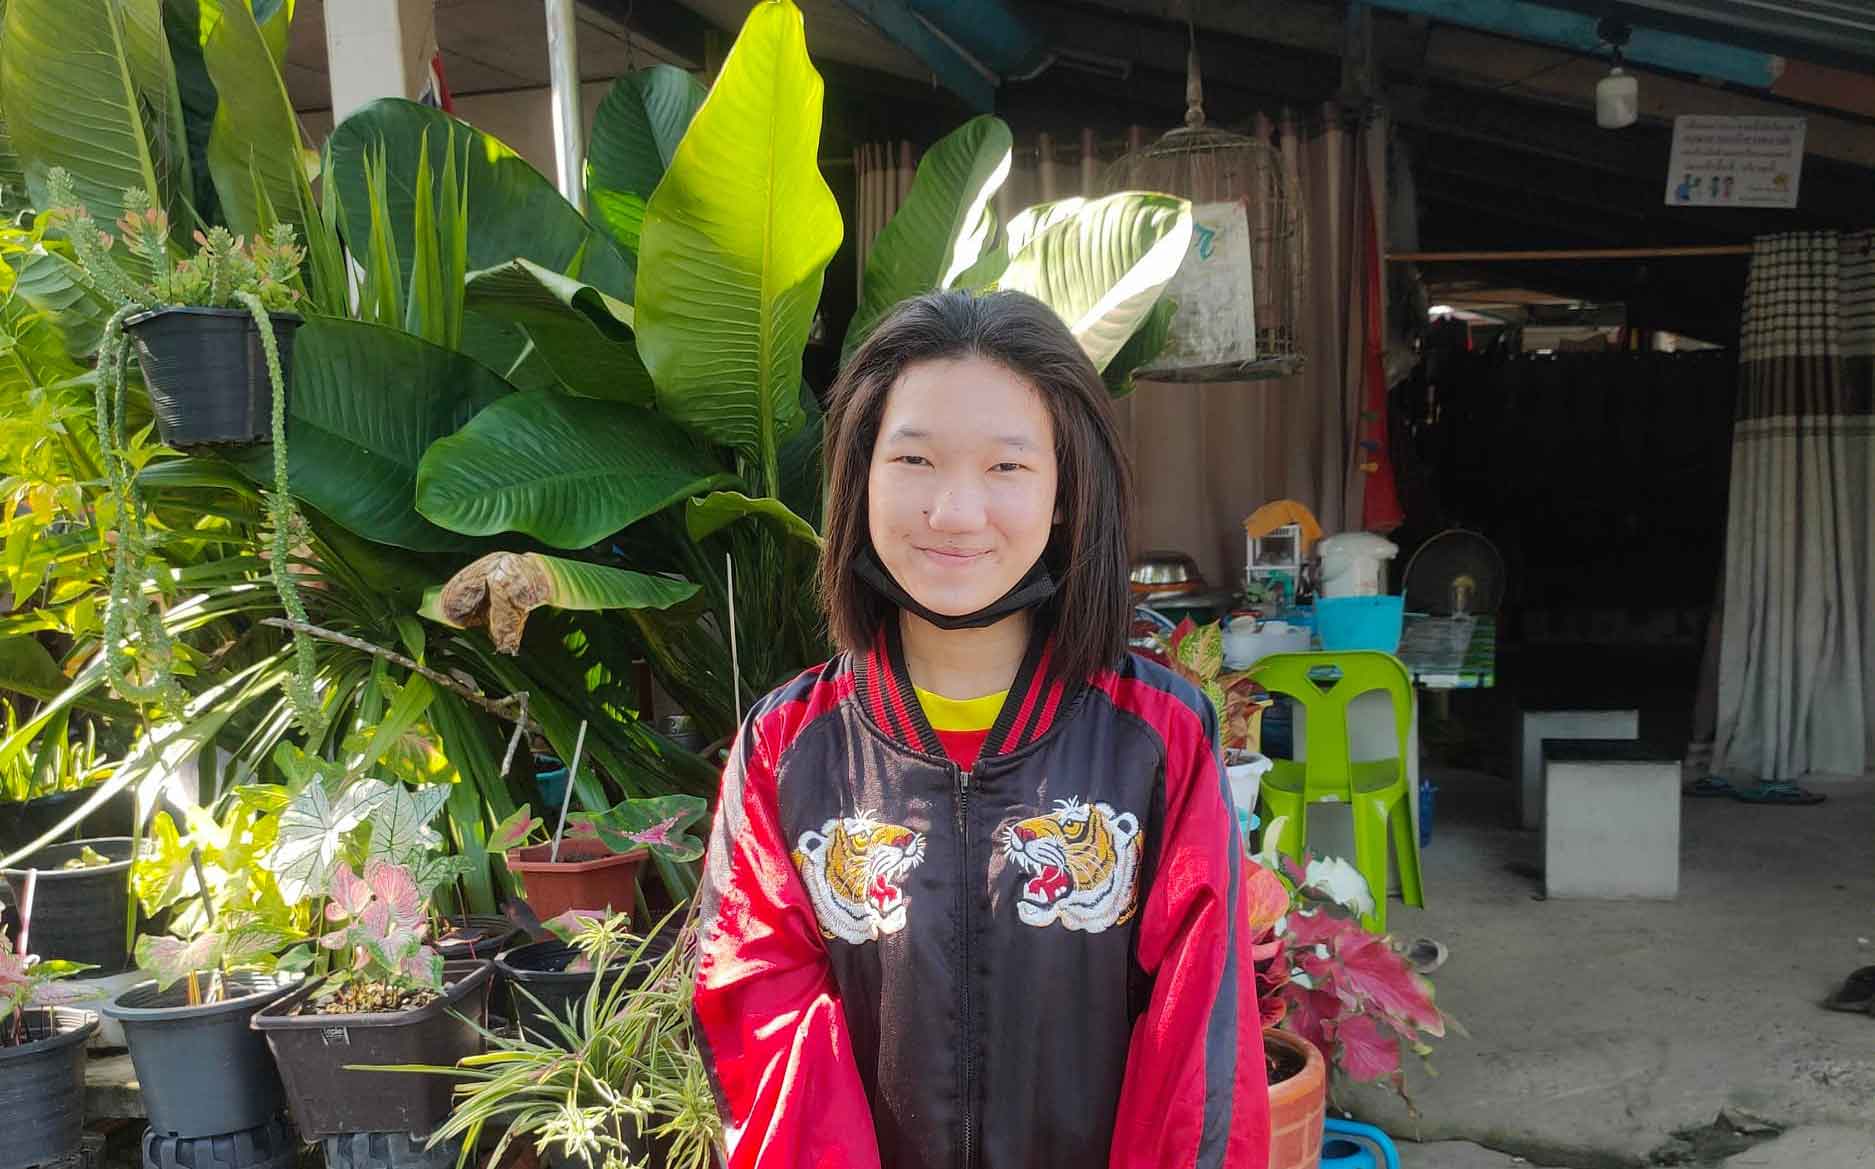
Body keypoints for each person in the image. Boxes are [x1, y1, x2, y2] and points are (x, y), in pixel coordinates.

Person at [692, 290, 1269, 1169]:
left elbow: (1198, 1053)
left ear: (1066, 492)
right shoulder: (786, 745)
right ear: (861, 478)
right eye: (914, 459)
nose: (955, 511)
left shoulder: (1159, 738)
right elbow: (762, 1030)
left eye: (1006, 466)